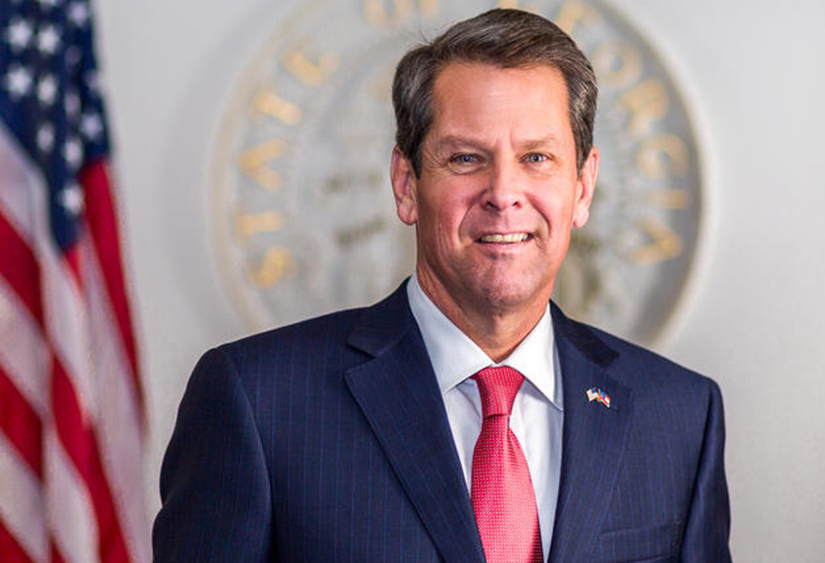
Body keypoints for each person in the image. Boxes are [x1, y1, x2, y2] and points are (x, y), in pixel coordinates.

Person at [153, 8, 730, 563]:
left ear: (582, 187)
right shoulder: (258, 402)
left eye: (536, 157)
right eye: (466, 158)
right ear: (406, 185)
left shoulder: (680, 416)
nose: (503, 193)